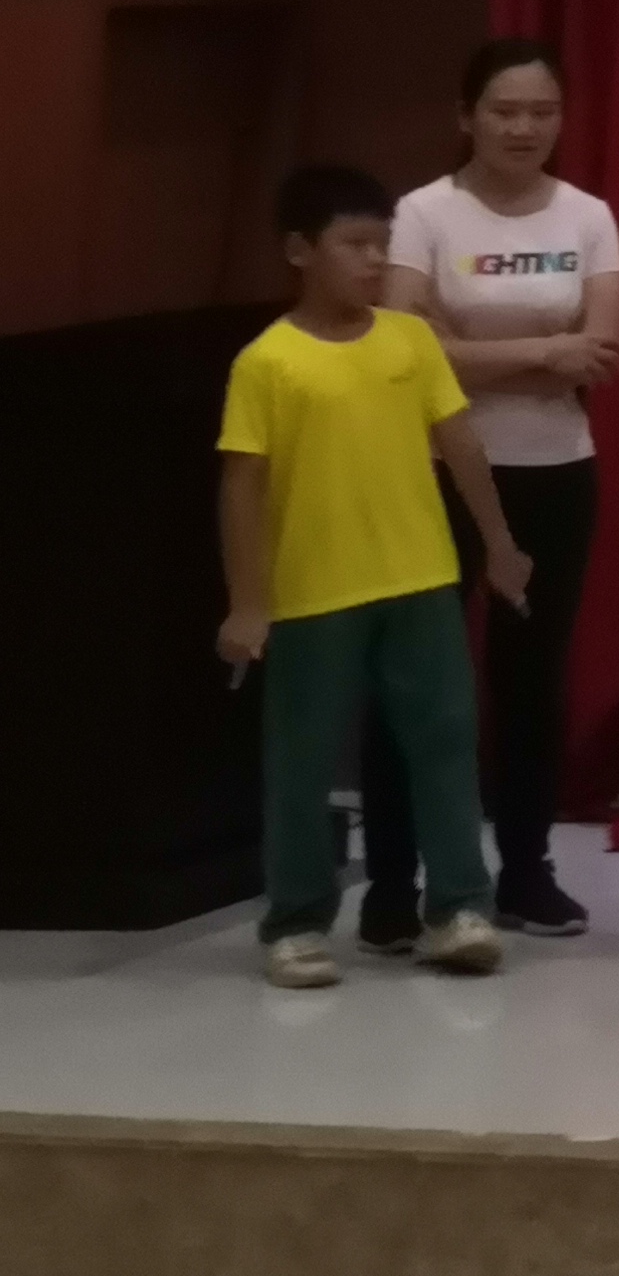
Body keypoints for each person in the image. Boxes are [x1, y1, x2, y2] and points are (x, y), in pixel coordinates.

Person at [218, 163, 535, 988]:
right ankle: (296, 923)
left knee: (445, 743)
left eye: (380, 244)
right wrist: (248, 602)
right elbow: (242, 485)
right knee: (303, 761)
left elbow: (460, 443)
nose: (372, 261)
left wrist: (499, 545)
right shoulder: (268, 361)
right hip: (315, 592)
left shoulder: (411, 341)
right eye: (353, 244)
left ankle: (459, 908)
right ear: (299, 250)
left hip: (420, 579)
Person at [356, 37, 617, 946]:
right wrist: (545, 351)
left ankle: (527, 871)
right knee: (413, 681)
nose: (524, 128)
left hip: (556, 472)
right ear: (466, 117)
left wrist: (468, 353)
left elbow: (601, 352)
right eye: (505, 111)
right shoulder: (425, 213)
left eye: (543, 112)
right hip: (434, 473)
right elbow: (402, 344)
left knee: (532, 681)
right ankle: (394, 882)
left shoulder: (588, 216)